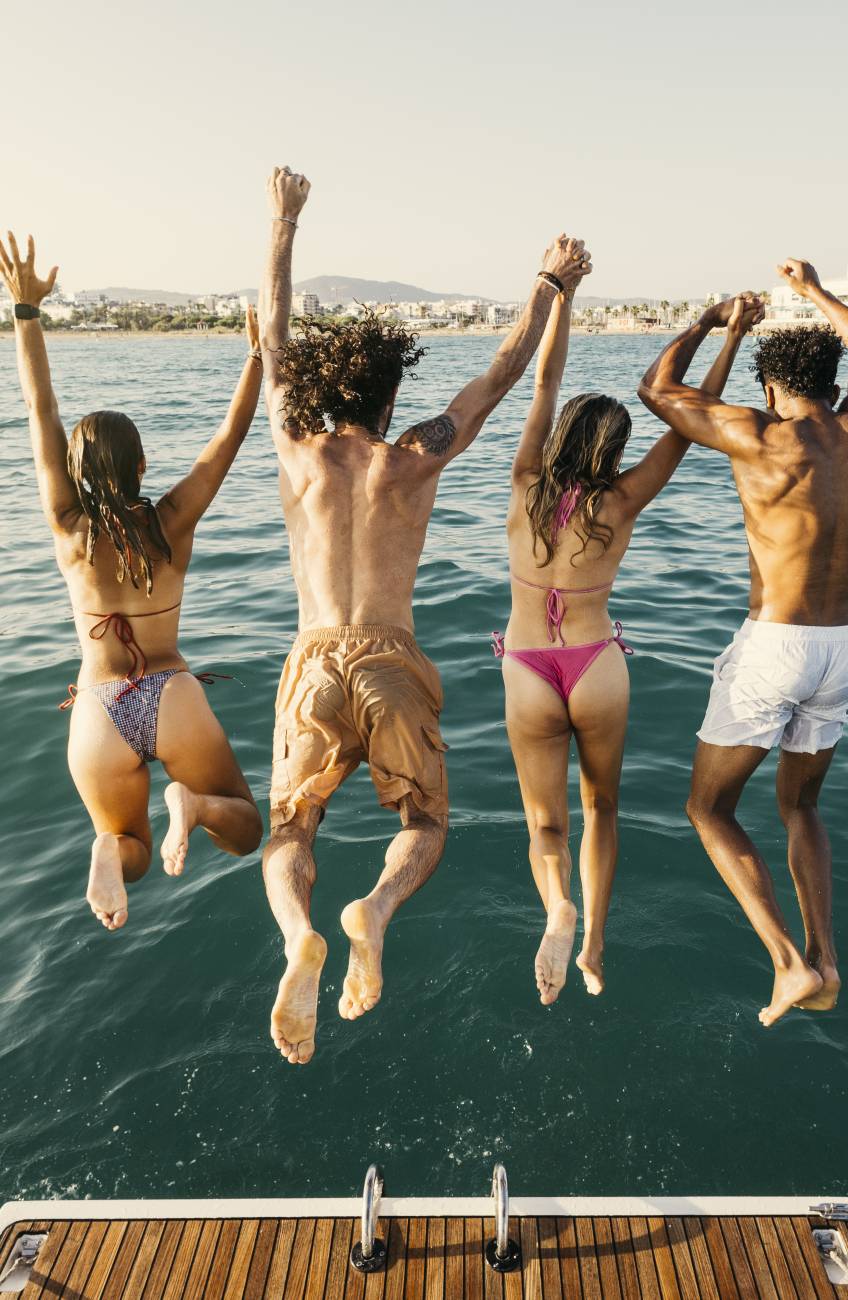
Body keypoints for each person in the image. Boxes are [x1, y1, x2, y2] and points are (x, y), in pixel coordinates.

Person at [257, 165, 591, 1063]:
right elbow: (502, 372)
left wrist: (283, 222)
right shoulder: (413, 455)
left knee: (291, 828)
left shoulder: (295, 445)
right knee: (424, 823)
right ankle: (375, 909)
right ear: (389, 394)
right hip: (392, 655)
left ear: (324, 387)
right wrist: (550, 281)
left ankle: (299, 937)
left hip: (313, 656)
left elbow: (274, 341)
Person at [638, 260, 848, 1026]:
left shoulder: (759, 436)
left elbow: (656, 389)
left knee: (708, 807)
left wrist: (712, 318)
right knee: (800, 806)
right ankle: (824, 959)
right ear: (830, 383)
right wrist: (815, 292)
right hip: (842, 645)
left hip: (775, 647)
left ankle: (786, 963)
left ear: (772, 387)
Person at [497, 287, 762, 1005]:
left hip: (527, 667)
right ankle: (591, 945)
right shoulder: (623, 500)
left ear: (560, 439)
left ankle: (557, 906)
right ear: (613, 451)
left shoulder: (523, 485)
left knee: (545, 822)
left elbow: (544, 382)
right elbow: (690, 421)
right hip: (596, 667)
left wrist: (563, 292)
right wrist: (726, 336)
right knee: (602, 810)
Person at [1, 232, 264, 931]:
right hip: (172, 695)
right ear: (142, 465)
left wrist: (26, 313)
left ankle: (104, 852)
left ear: (73, 472)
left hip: (97, 709)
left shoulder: (67, 528)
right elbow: (228, 438)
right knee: (243, 830)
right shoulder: (171, 522)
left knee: (132, 852)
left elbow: (41, 411)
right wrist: (256, 357)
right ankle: (193, 805)